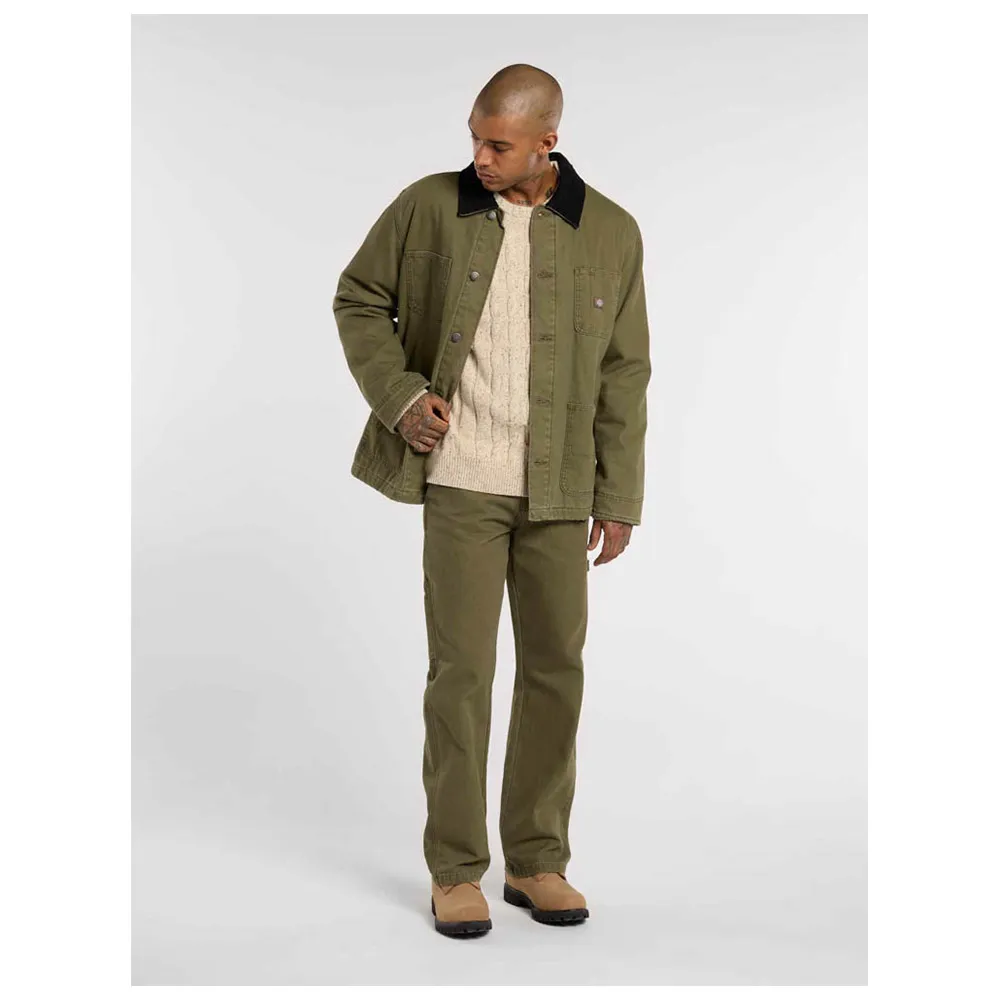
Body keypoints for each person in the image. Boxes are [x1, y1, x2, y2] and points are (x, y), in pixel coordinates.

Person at [333, 63, 651, 938]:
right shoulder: (429, 207)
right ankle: (455, 870)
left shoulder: (611, 231)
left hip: (559, 489)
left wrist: (618, 494)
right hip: (461, 483)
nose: (479, 156)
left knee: (555, 672)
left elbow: (625, 372)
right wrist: (400, 396)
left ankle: (538, 860)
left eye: (499, 144)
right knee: (462, 676)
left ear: (549, 142)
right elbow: (359, 298)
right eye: (474, 137)